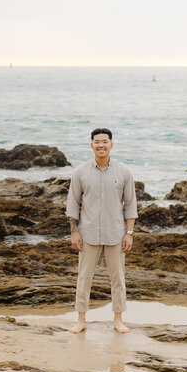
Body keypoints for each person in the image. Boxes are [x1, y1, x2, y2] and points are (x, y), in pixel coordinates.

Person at [65, 127, 137, 334]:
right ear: (91, 145)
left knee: (118, 278)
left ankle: (118, 320)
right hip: (87, 235)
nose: (101, 145)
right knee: (84, 277)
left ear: (111, 145)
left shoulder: (124, 172)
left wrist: (129, 233)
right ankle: (81, 320)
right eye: (97, 141)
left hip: (116, 234)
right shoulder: (80, 172)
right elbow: (73, 204)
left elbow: (130, 205)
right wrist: (74, 232)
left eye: (105, 141)